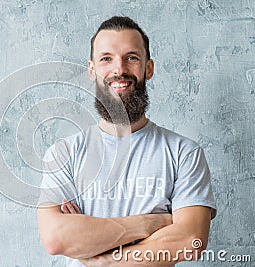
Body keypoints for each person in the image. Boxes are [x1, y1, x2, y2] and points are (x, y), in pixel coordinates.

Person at [37, 16, 217, 266]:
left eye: (131, 57)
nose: (119, 70)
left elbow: (191, 241)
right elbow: (56, 239)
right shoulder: (63, 154)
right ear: (92, 70)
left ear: (148, 68)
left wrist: (103, 260)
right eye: (106, 59)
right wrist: (150, 223)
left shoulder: (183, 153)